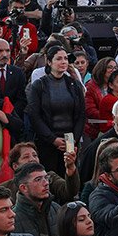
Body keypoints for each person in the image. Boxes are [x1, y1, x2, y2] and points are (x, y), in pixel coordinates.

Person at [27, 46, 86, 178]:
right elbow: (34, 115)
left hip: (70, 142)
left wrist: (73, 140)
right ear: (49, 61)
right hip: (47, 143)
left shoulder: (74, 85)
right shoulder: (39, 85)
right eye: (59, 59)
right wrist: (53, 139)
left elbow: (81, 114)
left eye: (65, 58)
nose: (64, 62)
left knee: (69, 179)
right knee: (50, 180)